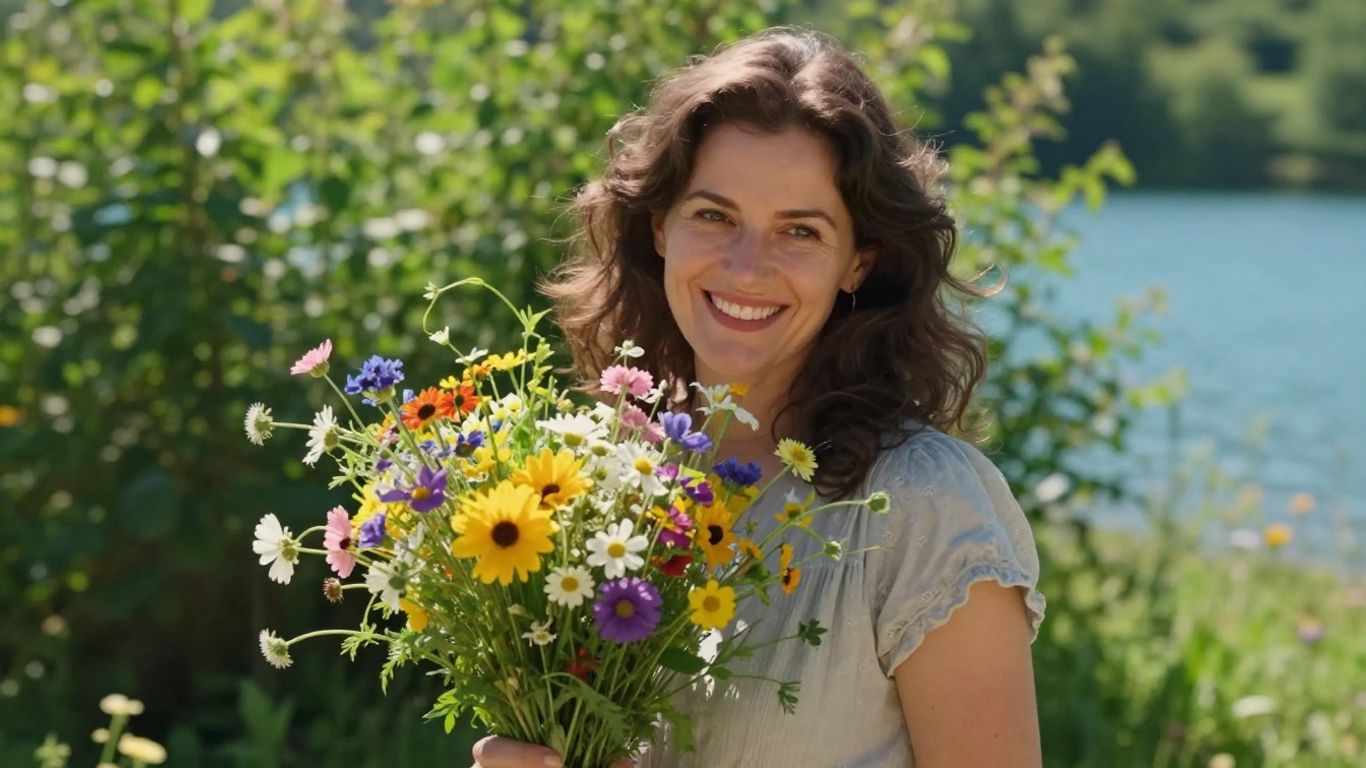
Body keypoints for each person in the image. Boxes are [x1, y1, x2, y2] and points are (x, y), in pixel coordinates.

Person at [471, 27, 1046, 768]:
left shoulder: (925, 507)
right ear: (659, 228)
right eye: (714, 215)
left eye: (799, 231)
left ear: (857, 263)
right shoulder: (592, 488)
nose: (747, 267)